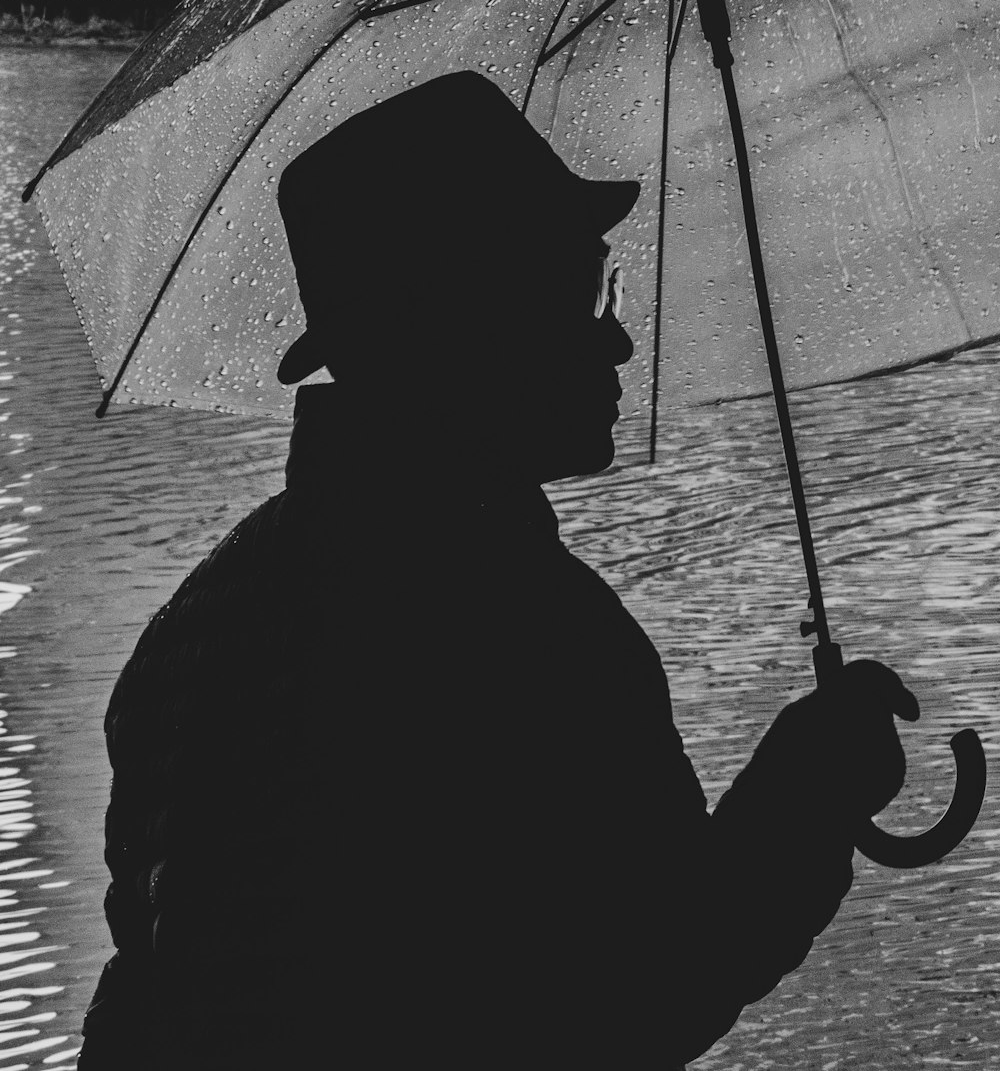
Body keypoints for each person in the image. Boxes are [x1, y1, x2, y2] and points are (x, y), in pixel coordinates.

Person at [79, 71, 917, 1070]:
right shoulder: (526, 630)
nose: (617, 334)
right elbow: (643, 988)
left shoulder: (189, 641)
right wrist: (806, 796)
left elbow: (142, 1004)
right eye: (583, 290)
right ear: (462, 321)